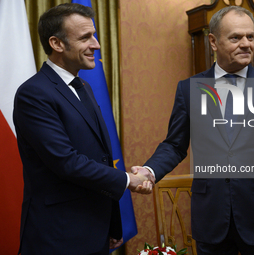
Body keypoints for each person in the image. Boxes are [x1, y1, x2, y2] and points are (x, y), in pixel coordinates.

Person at [133, 6, 254, 255]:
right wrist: (150, 171)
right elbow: (175, 145)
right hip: (211, 219)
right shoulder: (189, 89)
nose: (246, 44)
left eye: (251, 37)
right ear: (213, 42)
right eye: (236, 37)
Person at [13, 3, 153, 255]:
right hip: (58, 236)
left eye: (95, 35)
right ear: (57, 44)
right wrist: (128, 180)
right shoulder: (33, 93)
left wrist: (112, 225)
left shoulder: (84, 88)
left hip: (95, 230)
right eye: (85, 37)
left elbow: (99, 158)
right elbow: (66, 161)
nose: (97, 45)